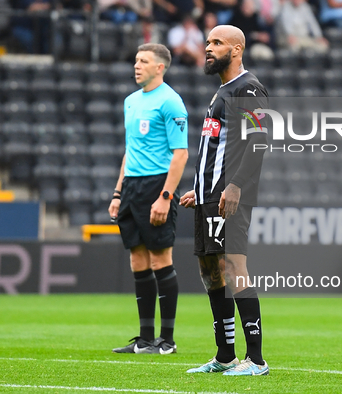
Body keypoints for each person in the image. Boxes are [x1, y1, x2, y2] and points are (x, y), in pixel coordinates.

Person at [180, 25, 269, 376]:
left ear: (238, 48)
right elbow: (216, 150)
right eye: (207, 42)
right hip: (209, 195)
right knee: (210, 272)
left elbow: (258, 141)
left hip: (230, 196)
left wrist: (235, 186)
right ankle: (225, 355)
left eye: (217, 43)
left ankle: (257, 359)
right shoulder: (222, 92)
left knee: (234, 267)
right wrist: (199, 188)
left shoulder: (248, 88)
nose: (208, 48)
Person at [109, 43, 189, 355]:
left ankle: (166, 341)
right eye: (135, 60)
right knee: (138, 259)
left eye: (143, 61)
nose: (137, 65)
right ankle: (144, 340)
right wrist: (118, 192)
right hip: (131, 188)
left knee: (160, 260)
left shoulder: (171, 102)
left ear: (160, 67)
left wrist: (165, 197)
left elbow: (180, 154)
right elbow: (129, 152)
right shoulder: (131, 101)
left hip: (157, 186)